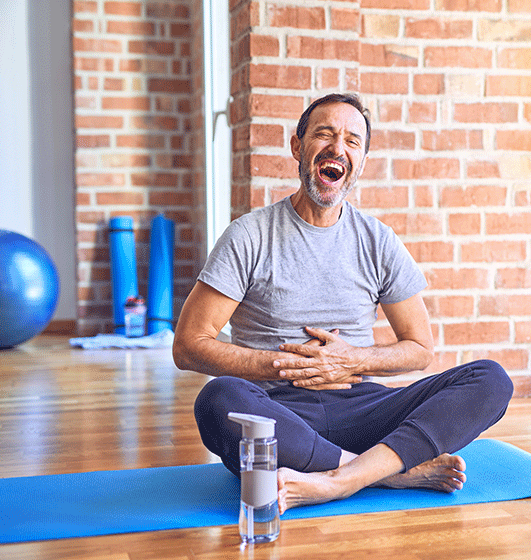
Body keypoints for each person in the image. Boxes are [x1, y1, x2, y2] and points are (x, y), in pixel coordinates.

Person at [172, 93, 513, 513]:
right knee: (217, 400)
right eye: (325, 134)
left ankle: (340, 479)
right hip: (282, 413)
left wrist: (352, 360)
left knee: (491, 379)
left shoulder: (378, 241)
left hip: (364, 408)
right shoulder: (249, 236)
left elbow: (420, 349)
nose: (338, 147)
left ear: (362, 160)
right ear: (298, 147)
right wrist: (286, 366)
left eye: (353, 140)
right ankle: (387, 472)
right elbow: (188, 345)